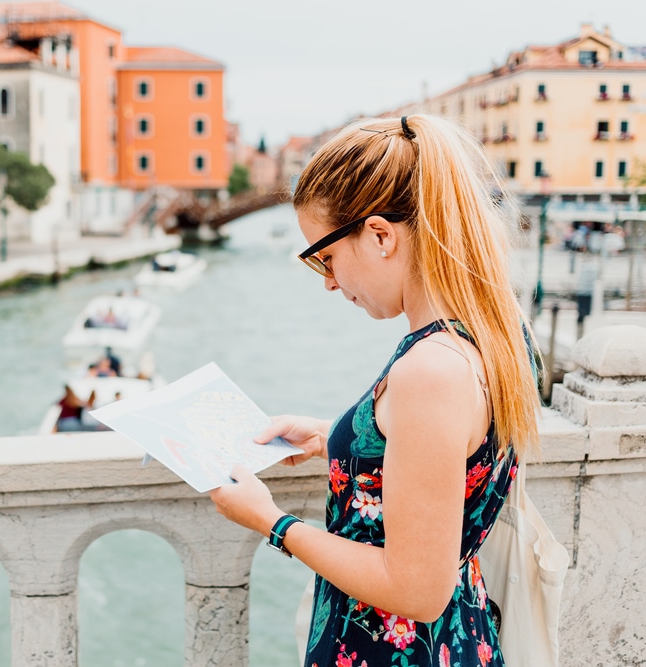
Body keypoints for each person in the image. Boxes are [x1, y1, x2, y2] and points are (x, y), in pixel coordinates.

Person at [209, 115, 542, 667]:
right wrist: (335, 439)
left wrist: (272, 522)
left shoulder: (431, 370)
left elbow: (416, 591)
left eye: (326, 256)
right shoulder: (497, 334)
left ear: (381, 234)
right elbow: (454, 458)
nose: (329, 281)